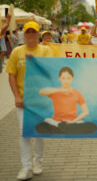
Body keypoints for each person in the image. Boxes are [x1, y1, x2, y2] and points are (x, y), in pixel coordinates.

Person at [5, 21, 52, 180]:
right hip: (23, 101)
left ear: (38, 34)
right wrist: (17, 96)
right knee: (24, 133)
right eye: (28, 32)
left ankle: (37, 162)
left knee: (39, 132)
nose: (31, 35)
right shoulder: (17, 52)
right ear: (23, 34)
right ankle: (26, 167)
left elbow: (52, 70)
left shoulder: (46, 50)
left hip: (41, 100)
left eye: (34, 32)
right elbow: (11, 74)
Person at [36, 67, 97, 134]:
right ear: (60, 78)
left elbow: (86, 112)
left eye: (68, 78)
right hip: (57, 121)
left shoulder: (77, 93)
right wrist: (60, 90)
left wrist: (73, 121)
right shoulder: (55, 91)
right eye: (63, 78)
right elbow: (41, 92)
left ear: (72, 78)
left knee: (93, 126)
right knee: (39, 127)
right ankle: (64, 128)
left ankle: (62, 129)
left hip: (73, 122)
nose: (66, 81)